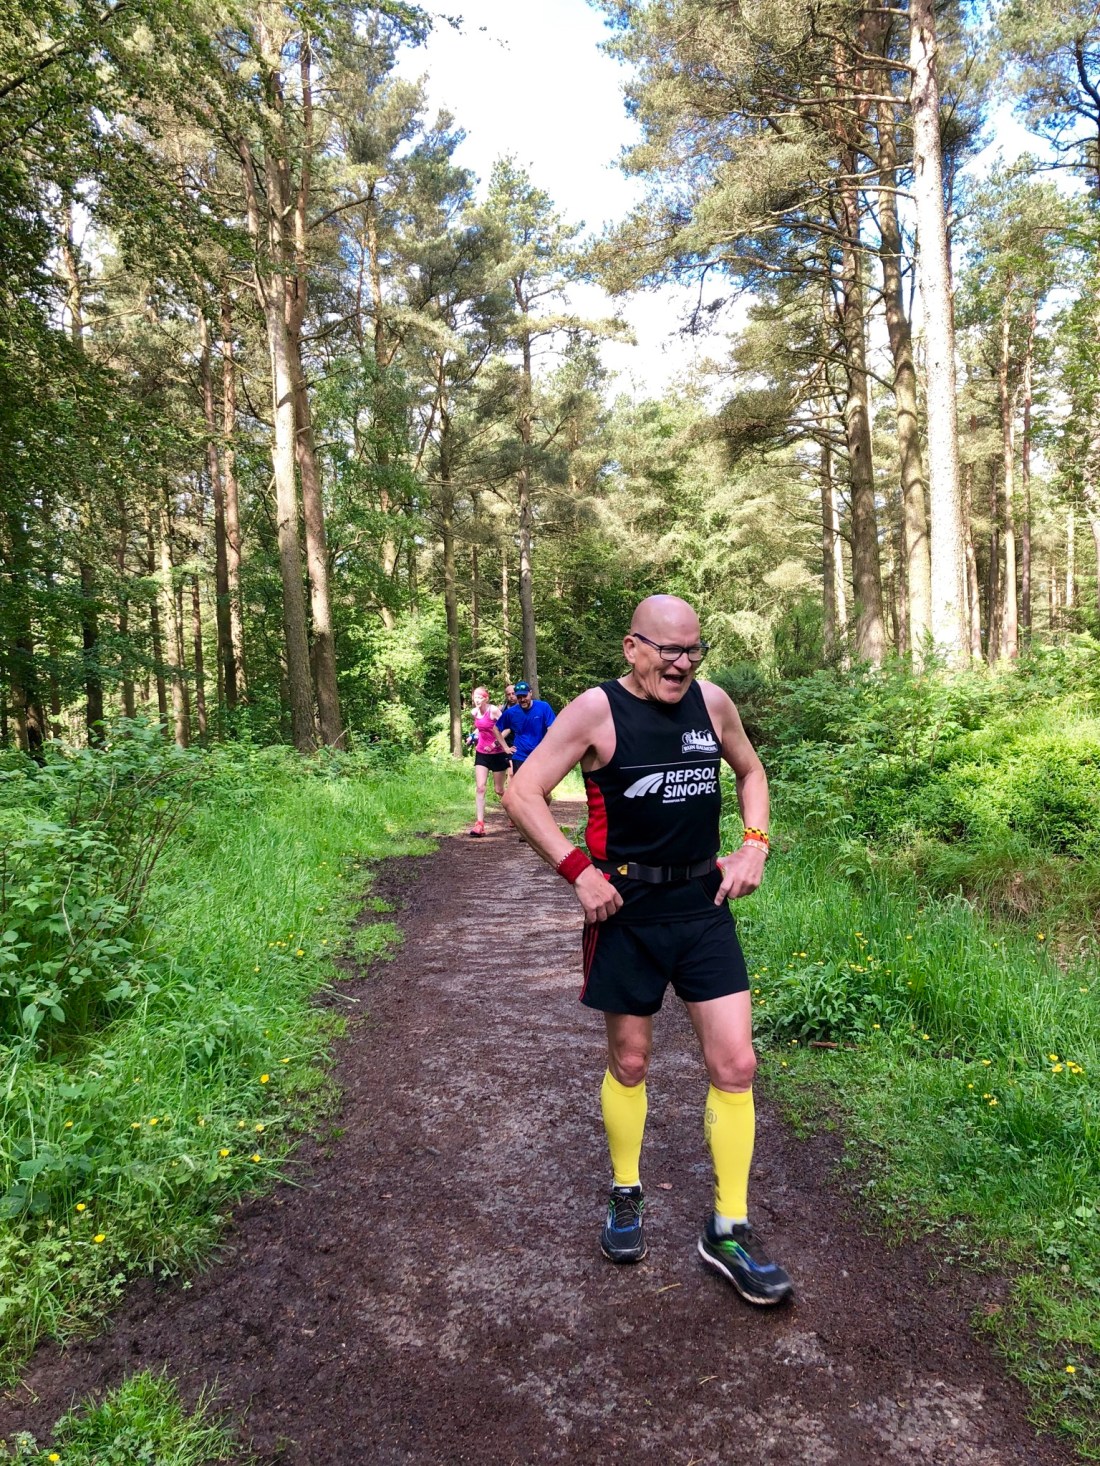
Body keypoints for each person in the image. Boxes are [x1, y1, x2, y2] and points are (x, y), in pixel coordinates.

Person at [501, 595, 792, 1307]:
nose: (683, 663)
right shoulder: (595, 713)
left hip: (703, 907)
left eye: (694, 649)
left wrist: (754, 846)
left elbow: (751, 773)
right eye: (668, 650)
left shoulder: (713, 704)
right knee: (630, 1061)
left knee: (737, 1063)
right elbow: (524, 792)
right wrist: (579, 872)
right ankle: (626, 1190)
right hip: (626, 914)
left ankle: (728, 1229)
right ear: (632, 647)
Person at [468, 686, 510, 837]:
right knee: (480, 788)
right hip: (482, 753)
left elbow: (506, 728)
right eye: (475, 697)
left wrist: (496, 743)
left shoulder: (493, 710)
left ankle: (514, 812)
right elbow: (480, 729)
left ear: (486, 698)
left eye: (480, 697)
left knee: (499, 790)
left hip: (497, 754)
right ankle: (479, 824)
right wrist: (472, 736)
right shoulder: (474, 712)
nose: (477, 700)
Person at [495, 680, 555, 780]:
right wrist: (506, 748)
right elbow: (496, 728)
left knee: (543, 789)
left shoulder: (543, 707)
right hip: (520, 756)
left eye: (524, 696)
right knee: (522, 789)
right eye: (519, 697)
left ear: (530, 693)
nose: (522, 699)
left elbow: (552, 729)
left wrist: (549, 748)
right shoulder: (511, 713)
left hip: (540, 755)